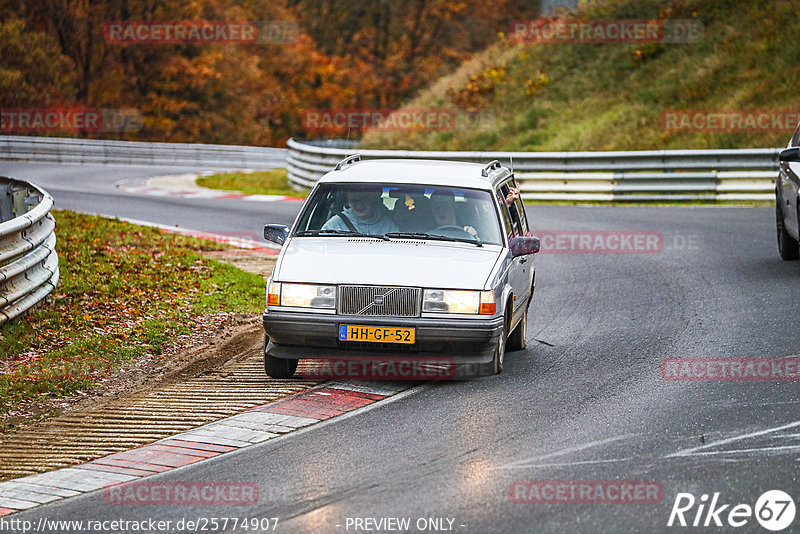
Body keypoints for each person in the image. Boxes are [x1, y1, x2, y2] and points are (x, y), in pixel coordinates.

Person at [322, 187, 398, 234]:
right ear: (348, 202)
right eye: (354, 201)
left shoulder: (388, 224)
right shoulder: (335, 224)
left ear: (370, 199)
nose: (359, 205)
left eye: (363, 199)